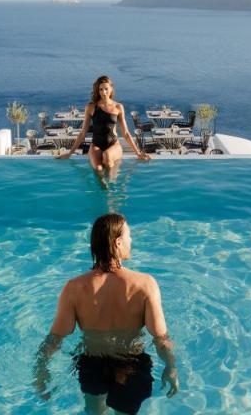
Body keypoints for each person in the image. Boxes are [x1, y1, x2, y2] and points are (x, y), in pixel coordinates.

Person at [35, 213, 178, 414]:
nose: (131, 240)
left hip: (92, 363)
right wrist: (171, 367)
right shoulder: (145, 285)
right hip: (131, 365)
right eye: (129, 235)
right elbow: (160, 338)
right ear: (118, 242)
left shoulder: (73, 288)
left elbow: (55, 338)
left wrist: (41, 370)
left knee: (94, 411)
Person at [57, 76, 150, 177]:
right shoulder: (91, 107)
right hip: (96, 145)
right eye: (101, 89)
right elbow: (83, 132)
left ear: (111, 89)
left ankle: (111, 184)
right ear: (97, 90)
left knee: (107, 156)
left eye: (106, 89)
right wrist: (70, 153)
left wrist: (138, 153)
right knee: (98, 169)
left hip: (114, 145)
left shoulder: (118, 107)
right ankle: (105, 186)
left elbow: (126, 133)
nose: (104, 92)